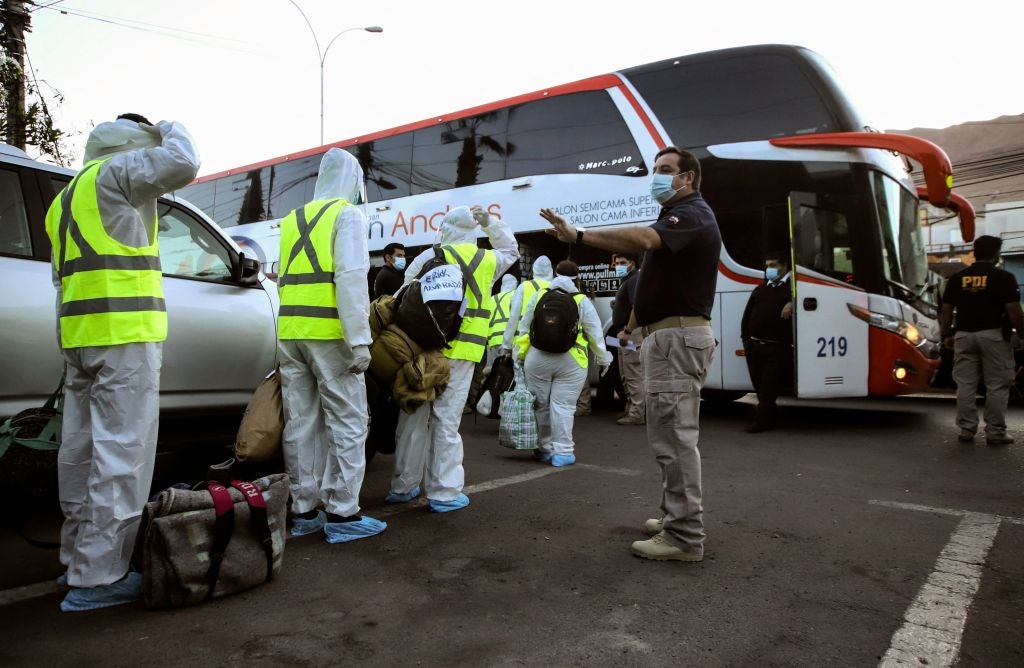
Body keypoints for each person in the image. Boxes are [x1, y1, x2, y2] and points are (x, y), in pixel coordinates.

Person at [44, 113, 200, 612]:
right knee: (122, 456)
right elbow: (183, 162)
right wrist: (169, 125)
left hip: (81, 338)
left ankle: (76, 561)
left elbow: (61, 281)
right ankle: (99, 578)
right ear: (133, 146)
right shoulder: (116, 174)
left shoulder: (63, 199)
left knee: (81, 455)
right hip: (125, 336)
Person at [541, 145, 719, 563]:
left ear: (687, 178)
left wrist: (579, 236)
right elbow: (655, 284)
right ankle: (676, 516)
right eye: (655, 169)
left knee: (675, 440)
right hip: (664, 336)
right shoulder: (677, 219)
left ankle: (685, 535)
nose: (656, 176)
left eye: (664, 170)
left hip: (677, 338)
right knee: (667, 438)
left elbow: (641, 239)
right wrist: (632, 326)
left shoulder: (691, 212)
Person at [276, 148, 385, 543]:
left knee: (301, 422)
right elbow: (352, 279)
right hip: (330, 334)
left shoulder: (292, 219)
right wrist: (359, 340)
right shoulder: (347, 215)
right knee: (348, 421)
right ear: (352, 180)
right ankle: (342, 512)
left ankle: (303, 509)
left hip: (290, 332)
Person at [387, 206, 518, 512]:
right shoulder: (487, 260)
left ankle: (403, 486)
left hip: (423, 348)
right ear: (473, 231)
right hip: (463, 353)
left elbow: (403, 295)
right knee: (446, 421)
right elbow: (510, 248)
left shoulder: (427, 256)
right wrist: (491, 223)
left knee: (413, 416)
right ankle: (443, 492)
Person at [517, 260, 611, 466]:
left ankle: (543, 449)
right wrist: (604, 358)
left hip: (537, 357)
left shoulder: (539, 295)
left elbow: (524, 328)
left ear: (554, 275)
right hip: (572, 359)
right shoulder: (581, 300)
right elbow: (595, 333)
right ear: (577, 278)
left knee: (540, 404)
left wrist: (520, 354)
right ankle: (563, 452)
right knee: (563, 406)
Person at [939, 235, 1024, 445]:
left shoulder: (957, 278)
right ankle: (995, 432)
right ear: (995, 253)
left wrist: (947, 334)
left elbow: (947, 310)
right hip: (994, 336)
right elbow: (1014, 310)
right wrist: (1022, 335)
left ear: (975, 252)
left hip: (964, 336)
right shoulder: (1004, 278)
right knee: (997, 384)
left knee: (966, 383)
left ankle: (967, 429)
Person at [740, 251, 794, 433]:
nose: (769, 269)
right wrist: (746, 340)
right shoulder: (761, 288)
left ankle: (761, 422)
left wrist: (792, 303)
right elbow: (747, 315)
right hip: (754, 346)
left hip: (777, 347)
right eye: (768, 266)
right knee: (759, 386)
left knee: (769, 386)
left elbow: (808, 300)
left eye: (773, 265)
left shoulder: (793, 288)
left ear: (784, 266)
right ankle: (772, 415)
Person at [611, 253, 645, 425]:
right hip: (624, 332)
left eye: (622, 263)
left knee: (633, 373)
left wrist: (627, 331)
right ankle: (631, 408)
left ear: (632, 263)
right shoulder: (629, 279)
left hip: (629, 333)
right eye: (616, 263)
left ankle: (637, 413)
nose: (618, 266)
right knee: (626, 373)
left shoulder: (633, 280)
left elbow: (636, 307)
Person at [500, 256, 554, 356]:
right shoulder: (555, 287)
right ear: (551, 270)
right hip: (548, 343)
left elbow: (513, 317)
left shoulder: (524, 287)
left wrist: (506, 345)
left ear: (534, 269)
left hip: (523, 342)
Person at [487, 273, 519, 367]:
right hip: (509, 341)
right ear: (515, 284)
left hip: (493, 341)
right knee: (508, 373)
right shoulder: (516, 296)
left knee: (492, 372)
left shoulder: (492, 299)